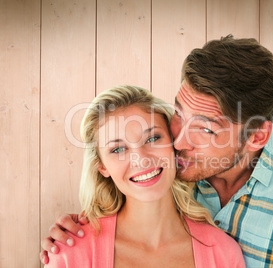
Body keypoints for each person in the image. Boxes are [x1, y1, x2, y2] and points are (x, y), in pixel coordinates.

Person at [41, 35, 273, 267]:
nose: (177, 141)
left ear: (257, 136)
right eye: (180, 113)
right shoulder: (174, 170)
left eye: (206, 129)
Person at [43, 85, 245, 267]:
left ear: (174, 144)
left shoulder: (223, 253)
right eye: (118, 149)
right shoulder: (70, 255)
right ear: (103, 167)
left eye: (152, 138)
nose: (141, 159)